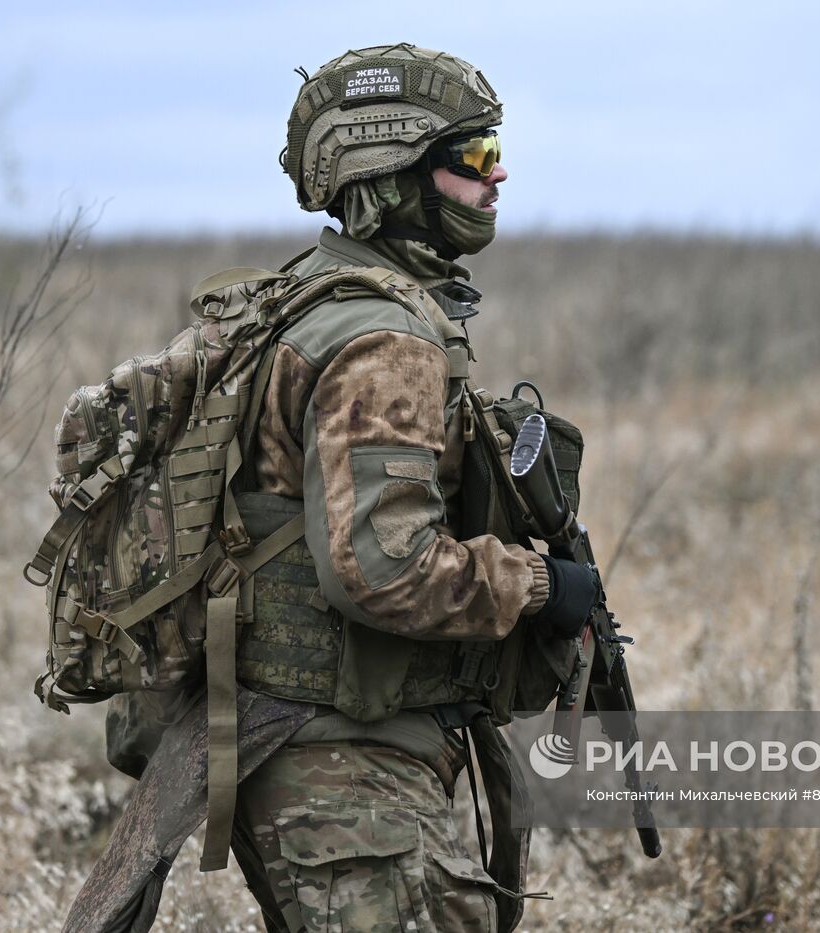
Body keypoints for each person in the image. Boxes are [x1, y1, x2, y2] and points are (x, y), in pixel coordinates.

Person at [222, 43, 599, 932]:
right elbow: (381, 568)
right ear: (393, 176)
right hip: (338, 756)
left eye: (493, 149)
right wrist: (538, 585)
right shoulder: (384, 338)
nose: (496, 173)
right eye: (470, 157)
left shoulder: (311, 293)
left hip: (310, 738)